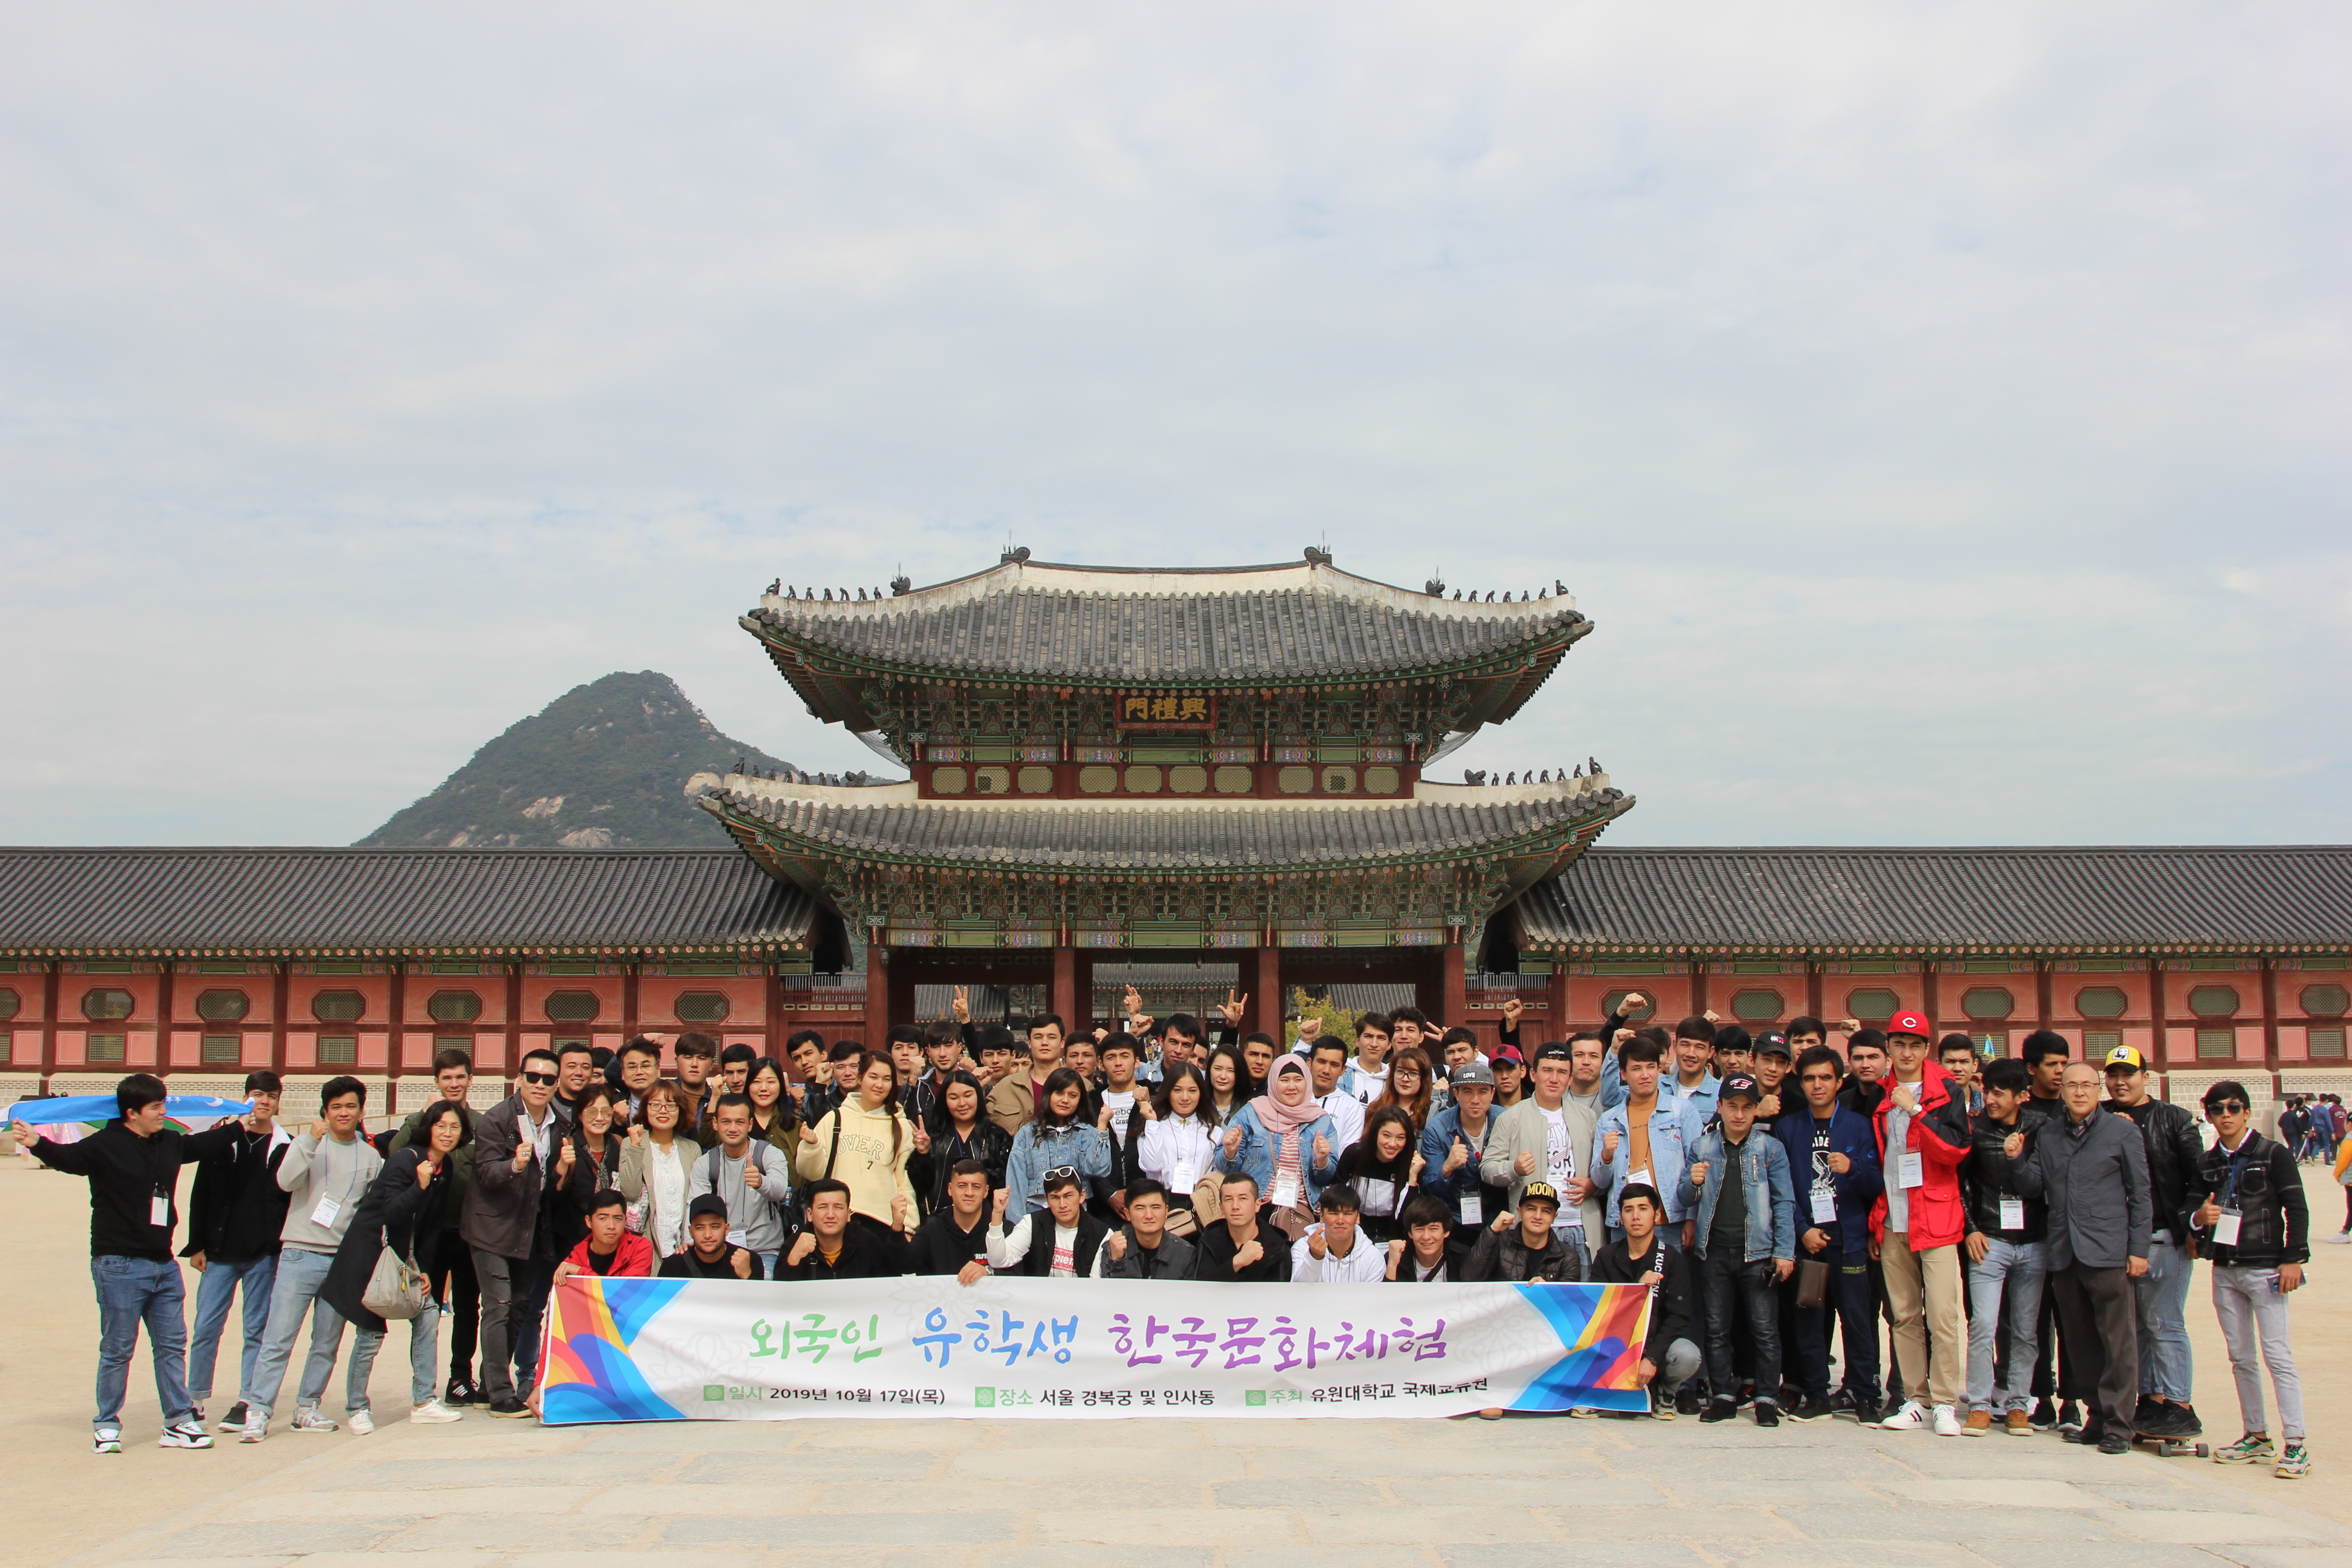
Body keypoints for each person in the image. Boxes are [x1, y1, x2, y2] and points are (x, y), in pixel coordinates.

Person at [10, 1073, 259, 1453]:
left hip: (163, 1265)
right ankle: (107, 1424)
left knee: (173, 1346)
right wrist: (37, 1143)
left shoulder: (169, 1143)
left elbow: (202, 1144)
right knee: (118, 1348)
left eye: (163, 1105)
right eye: (156, 1108)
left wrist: (239, 1124)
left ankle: (178, 1421)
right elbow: (71, 1160)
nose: (163, 1113)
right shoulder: (105, 1145)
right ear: (131, 1113)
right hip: (118, 1264)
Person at [2008, 1062, 2150, 1455]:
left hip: (2109, 1251)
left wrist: (2139, 1250)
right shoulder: (2050, 1134)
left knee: (2118, 1342)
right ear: (2063, 1089)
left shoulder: (2122, 1131)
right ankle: (2097, 1416)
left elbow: (2140, 1194)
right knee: (2080, 1342)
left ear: (2098, 1088)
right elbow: (2035, 1186)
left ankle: (2121, 1424)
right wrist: (2018, 1159)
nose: (2080, 1093)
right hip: (2065, 1251)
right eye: (2073, 1085)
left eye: (2088, 1085)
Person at [319, 1097, 469, 1429]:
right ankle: (357, 1407)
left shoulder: (447, 1168)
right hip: (372, 1256)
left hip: (407, 1259)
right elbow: (392, 1213)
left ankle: (424, 1401)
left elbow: (431, 1228)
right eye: (441, 1125)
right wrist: (420, 1185)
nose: (447, 1133)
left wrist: (427, 1271)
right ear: (429, 1128)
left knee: (429, 1312)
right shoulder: (406, 1159)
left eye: (454, 1127)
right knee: (370, 1332)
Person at [2189, 1082, 2310, 1478]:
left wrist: (2293, 1259)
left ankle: (2296, 1442)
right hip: (2224, 1268)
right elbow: (2191, 1209)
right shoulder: (2207, 1163)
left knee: (2277, 1354)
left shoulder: (2273, 1154)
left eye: (2234, 1107)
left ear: (2247, 1111)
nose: (2226, 1114)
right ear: (2207, 1114)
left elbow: (2297, 1207)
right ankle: (2256, 1435)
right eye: (2218, 1109)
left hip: (2267, 1268)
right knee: (2240, 1357)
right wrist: (2197, 1221)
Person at [1868, 1012, 1972, 1437]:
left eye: (1915, 1045)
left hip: (1938, 1218)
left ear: (1927, 1050)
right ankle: (1915, 1398)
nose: (1907, 1052)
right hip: (1894, 1218)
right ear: (1890, 1048)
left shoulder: (1946, 1092)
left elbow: (1955, 1151)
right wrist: (1878, 1221)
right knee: (1904, 1315)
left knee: (1944, 1315)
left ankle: (1946, 1401)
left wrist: (1916, 1113)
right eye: (1899, 1044)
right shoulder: (1879, 1092)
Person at [2101, 1044, 2206, 1443]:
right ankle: (2151, 1397)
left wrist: (2191, 1229)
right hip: (2119, 1241)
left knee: (2165, 1322)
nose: (2120, 1081)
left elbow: (2199, 1178)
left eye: (2128, 1074)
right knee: (2137, 1326)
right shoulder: (2102, 1118)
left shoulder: (2174, 1120)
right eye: (2113, 1075)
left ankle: (2180, 1405)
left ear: (2146, 1077)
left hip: (2164, 1237)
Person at [1774, 1044, 1884, 1423]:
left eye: (1825, 1078)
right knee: (1808, 1321)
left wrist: (1853, 1168)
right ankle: (1817, 1394)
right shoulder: (1789, 1128)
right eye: (1809, 1079)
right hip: (1810, 1244)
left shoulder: (1858, 1125)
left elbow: (1876, 1184)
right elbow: (1782, 1189)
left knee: (1856, 1321)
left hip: (1850, 1241)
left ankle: (1866, 1394)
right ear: (1800, 1083)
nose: (1817, 1085)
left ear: (1840, 1082)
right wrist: (1803, 1230)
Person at [1681, 1074, 1796, 1426]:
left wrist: (1785, 1252)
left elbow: (1784, 1201)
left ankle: (1765, 1398)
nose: (1740, 1115)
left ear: (1756, 1110)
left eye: (1748, 1108)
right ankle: (1724, 1396)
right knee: (1717, 1328)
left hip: (1757, 1251)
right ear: (1720, 1107)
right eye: (1732, 1107)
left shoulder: (1770, 1149)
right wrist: (1693, 1182)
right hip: (1713, 1250)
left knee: (1764, 1329)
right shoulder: (1702, 1147)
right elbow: (1686, 1198)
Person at [181, 1068, 291, 1432]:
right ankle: (194, 1398)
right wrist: (196, 1244)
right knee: (206, 1326)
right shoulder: (223, 1140)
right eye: (258, 1095)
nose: (264, 1102)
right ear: (246, 1097)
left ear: (278, 1102)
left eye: (271, 1096)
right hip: (219, 1250)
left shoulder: (285, 1145)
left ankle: (248, 1398)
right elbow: (202, 1195)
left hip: (262, 1252)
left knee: (256, 1329)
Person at [461, 1047, 561, 1418]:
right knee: (499, 1304)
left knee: (520, 1306)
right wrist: (515, 1165)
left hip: (527, 1229)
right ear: (519, 1079)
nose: (539, 1084)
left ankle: (489, 1385)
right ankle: (501, 1394)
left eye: (548, 1079)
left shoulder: (559, 1123)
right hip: (490, 1227)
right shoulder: (496, 1119)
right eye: (532, 1077)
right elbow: (486, 1173)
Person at [1957, 1057, 2047, 1435]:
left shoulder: (2042, 1130)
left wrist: (2017, 1157)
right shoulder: (1975, 1132)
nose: (1990, 1099)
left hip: (2034, 1243)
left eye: (1999, 1093)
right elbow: (1959, 1185)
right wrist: (1971, 1228)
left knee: (2026, 1330)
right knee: (1984, 1325)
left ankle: (2018, 1404)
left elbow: (2038, 1188)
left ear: (2022, 1096)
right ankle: (1979, 1402)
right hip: (1990, 1241)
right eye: (1987, 1091)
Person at [389, 1049, 480, 1406]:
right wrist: (423, 1116)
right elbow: (395, 1151)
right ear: (437, 1083)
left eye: (460, 1077)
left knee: (468, 1307)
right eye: (447, 1079)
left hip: (468, 1232)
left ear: (471, 1080)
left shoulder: (480, 1123)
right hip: (430, 1232)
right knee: (425, 1307)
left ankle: (460, 1377)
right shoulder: (425, 1124)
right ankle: (423, 1386)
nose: (454, 1084)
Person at [1485, 1041, 1604, 1275]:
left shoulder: (1588, 1117)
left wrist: (1594, 1186)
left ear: (1570, 1078)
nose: (1554, 1079)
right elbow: (1488, 1168)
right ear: (1533, 1074)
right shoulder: (1512, 1118)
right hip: (1533, 1230)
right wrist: (1514, 1169)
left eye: (1562, 1073)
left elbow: (1602, 1171)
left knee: (1581, 1306)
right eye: (1547, 1071)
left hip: (1582, 1226)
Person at [1590, 1184, 1702, 1419]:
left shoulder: (1672, 1259)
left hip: (1656, 1347)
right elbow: (1598, 1312)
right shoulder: (1606, 1257)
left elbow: (1679, 1317)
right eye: (1629, 1210)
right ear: (1620, 1217)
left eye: (1643, 1209)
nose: (1636, 1216)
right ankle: (1600, 1392)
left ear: (1657, 1215)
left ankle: (1667, 1392)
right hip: (1616, 1346)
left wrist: (1651, 1358)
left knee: (1687, 1354)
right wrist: (1636, 1291)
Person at [794, 1049, 919, 1243]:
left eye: (887, 1079)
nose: (879, 1085)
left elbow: (904, 1181)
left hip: (883, 1223)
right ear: (861, 1078)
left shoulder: (902, 1126)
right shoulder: (835, 1118)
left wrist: (908, 1224)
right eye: (873, 1077)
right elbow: (812, 1172)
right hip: (839, 1222)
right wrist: (811, 1146)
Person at [1595, 1038, 1708, 1240]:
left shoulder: (1682, 1111)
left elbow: (1697, 1169)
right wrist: (1607, 1156)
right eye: (1637, 1068)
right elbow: (1600, 1182)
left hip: (1672, 1222)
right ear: (1623, 1074)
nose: (1645, 1075)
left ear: (1659, 1069)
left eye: (1651, 1067)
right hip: (1625, 1224)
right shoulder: (1609, 1119)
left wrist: (1692, 1219)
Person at [1220, 1055, 1340, 1219]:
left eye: (1298, 1080)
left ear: (1307, 1082)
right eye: (1284, 1080)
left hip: (1301, 1212)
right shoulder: (1252, 1113)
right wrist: (1230, 1152)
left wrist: (1322, 1161)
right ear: (1274, 1082)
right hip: (1258, 1208)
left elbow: (1328, 1178)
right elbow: (1224, 1168)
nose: (1292, 1087)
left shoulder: (1321, 1121)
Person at [692, 1093, 799, 1277]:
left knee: (762, 1300)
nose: (733, 1129)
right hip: (721, 1251)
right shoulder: (705, 1163)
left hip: (765, 1250)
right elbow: (694, 1208)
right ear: (716, 1124)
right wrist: (688, 1245)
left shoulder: (769, 1154)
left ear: (750, 1125)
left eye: (740, 1122)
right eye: (726, 1122)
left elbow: (781, 1190)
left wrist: (761, 1182)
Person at [1001, 1066, 1114, 1218]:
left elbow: (1097, 1170)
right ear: (1049, 1095)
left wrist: (1101, 1128)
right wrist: (1017, 1226)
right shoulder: (1028, 1133)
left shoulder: (1087, 1133)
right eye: (1059, 1093)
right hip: (1036, 1212)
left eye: (1073, 1095)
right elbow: (1015, 1182)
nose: (1065, 1100)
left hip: (1076, 1215)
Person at [1420, 1058, 1507, 1240]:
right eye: (1468, 1092)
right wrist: (1447, 1168)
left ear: (1492, 1094)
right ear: (1456, 1094)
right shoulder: (1437, 1128)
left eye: (1482, 1092)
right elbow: (1429, 1189)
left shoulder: (1507, 1121)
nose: (1475, 1100)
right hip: (1456, 1221)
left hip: (1500, 1218)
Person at [1135, 1063, 1221, 1232]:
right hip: (1164, 1202)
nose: (1185, 1097)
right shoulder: (1153, 1127)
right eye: (1178, 1090)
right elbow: (1151, 1166)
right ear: (1168, 1093)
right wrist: (1151, 1123)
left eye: (1193, 1091)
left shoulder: (1214, 1132)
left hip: (1202, 1203)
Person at [913, 1071, 1013, 1215]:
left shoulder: (997, 1137)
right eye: (954, 1098)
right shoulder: (932, 1137)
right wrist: (923, 1154)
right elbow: (920, 1186)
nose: (962, 1104)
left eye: (968, 1096)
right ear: (945, 1101)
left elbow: (1005, 1182)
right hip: (939, 1218)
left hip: (984, 1221)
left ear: (979, 1096)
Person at [549, 1083, 625, 1264]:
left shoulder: (619, 1145)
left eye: (606, 1112)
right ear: (581, 1114)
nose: (599, 1118)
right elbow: (552, 1197)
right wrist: (562, 1165)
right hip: (573, 1245)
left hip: (613, 1245)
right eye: (592, 1112)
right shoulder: (567, 1146)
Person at [619, 1080, 696, 1259]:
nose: (663, 1111)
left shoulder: (692, 1150)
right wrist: (636, 1147)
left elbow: (694, 1199)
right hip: (645, 1246)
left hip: (684, 1247)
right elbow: (630, 1192)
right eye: (656, 1105)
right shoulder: (630, 1144)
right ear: (646, 1109)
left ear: (680, 1110)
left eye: (671, 1106)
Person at [985, 1166, 1109, 1277]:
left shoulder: (1102, 1234)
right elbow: (998, 1261)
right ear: (1047, 1200)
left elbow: (1095, 1286)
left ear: (1082, 1196)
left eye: (1068, 1196)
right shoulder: (1032, 1223)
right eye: (1055, 1198)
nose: (1062, 1205)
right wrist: (997, 1213)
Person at [1329, 1106, 1420, 1242]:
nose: (1392, 1144)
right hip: (1352, 1232)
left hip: (1393, 1237)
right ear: (1376, 1134)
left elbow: (1408, 1220)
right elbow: (1337, 1199)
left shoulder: (1411, 1165)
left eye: (1400, 1138)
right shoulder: (1354, 1156)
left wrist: (1413, 1179)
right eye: (1386, 1136)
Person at [1464, 1181, 1580, 1283]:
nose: (1538, 1216)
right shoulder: (1500, 1241)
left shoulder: (1568, 1257)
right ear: (1520, 1212)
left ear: (1554, 1217)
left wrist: (1547, 1291)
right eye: (1532, 1209)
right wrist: (1493, 1231)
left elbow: (1567, 1303)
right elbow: (1469, 1279)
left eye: (1546, 1211)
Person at [781, 1179, 900, 1278]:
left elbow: (891, 1285)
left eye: (838, 1207)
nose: (831, 1215)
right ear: (810, 1214)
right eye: (823, 1207)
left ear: (849, 1214)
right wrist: (793, 1259)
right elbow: (780, 1297)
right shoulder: (795, 1243)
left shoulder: (868, 1243)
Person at [1191, 1174, 1290, 1281]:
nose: (1235, 1206)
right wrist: (1237, 1262)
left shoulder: (1278, 1247)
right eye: (1229, 1199)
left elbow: (1279, 1294)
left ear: (1257, 1205)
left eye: (1243, 1199)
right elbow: (1202, 1288)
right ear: (1221, 1207)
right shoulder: (1210, 1240)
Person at [909, 1160, 996, 1279]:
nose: (969, 1193)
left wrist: (988, 1271)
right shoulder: (930, 1233)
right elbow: (904, 1266)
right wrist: (897, 1230)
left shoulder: (1003, 1230)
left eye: (976, 1187)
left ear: (986, 1191)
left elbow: (1018, 1274)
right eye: (962, 1186)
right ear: (950, 1189)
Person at [1095, 1176, 1197, 1278]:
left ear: (1166, 1211)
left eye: (1156, 1208)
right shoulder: (1113, 1248)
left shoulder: (1186, 1254)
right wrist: (1117, 1260)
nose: (1149, 1216)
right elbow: (1110, 1292)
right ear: (1128, 1214)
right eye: (1140, 1208)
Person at [988, 1013, 1069, 1134]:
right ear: (1029, 1043)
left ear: (1062, 1042)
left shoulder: (1081, 1085)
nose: (1045, 1043)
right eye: (1038, 1037)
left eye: (1051, 1037)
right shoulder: (1005, 1087)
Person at [1289, 1183, 1386, 1282]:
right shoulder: (1303, 1247)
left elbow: (1374, 1297)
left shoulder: (1373, 1257)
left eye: (1348, 1214)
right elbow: (1298, 1292)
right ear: (1322, 1216)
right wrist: (1314, 1257)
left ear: (1358, 1217)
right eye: (1334, 1214)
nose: (1340, 1221)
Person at [553, 1188, 656, 1279]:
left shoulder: (640, 1248)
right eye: (603, 1218)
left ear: (626, 1221)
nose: (611, 1226)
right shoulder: (576, 1257)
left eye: (618, 1219)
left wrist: (581, 1272)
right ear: (589, 1222)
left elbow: (625, 1292)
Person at [660, 1194, 757, 1279]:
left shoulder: (749, 1261)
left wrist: (747, 1275)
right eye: (700, 1228)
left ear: (727, 1229)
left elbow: (758, 1299)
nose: (707, 1235)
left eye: (715, 1227)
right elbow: (661, 1300)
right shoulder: (673, 1265)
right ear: (691, 1231)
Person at [1385, 1195, 1470, 1283]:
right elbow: (1387, 1295)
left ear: (1446, 1232)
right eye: (1419, 1229)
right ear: (1410, 1233)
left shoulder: (1462, 1257)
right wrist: (1392, 1264)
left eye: (1433, 1229)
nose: (1426, 1237)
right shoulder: (1396, 1257)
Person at [1304, 1038, 1367, 1152]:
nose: (1326, 1071)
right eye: (1322, 1062)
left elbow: (1346, 1153)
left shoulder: (1352, 1108)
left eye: (1334, 1065)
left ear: (1343, 1070)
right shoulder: (1294, 1097)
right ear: (1310, 1063)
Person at [1666, 1016, 1720, 1117]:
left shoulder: (1721, 1094)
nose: (1691, 1054)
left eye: (1699, 1047)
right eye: (1685, 1045)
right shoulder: (1657, 1088)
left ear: (1710, 1052)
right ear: (1675, 1046)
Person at [1370, 1047, 1434, 1133]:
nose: (1405, 1079)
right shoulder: (1376, 1109)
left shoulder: (1432, 1114)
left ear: (1424, 1079)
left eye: (1413, 1074)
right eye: (1400, 1072)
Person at [672, 1031, 721, 1136]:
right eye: (688, 1058)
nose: (694, 1064)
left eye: (701, 1059)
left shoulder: (718, 1101)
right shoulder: (664, 1094)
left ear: (711, 1064)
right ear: (677, 1061)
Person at [1338, 1014, 1392, 1106]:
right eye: (1369, 1037)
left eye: (1381, 1038)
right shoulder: (1339, 1073)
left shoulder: (1394, 1081)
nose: (1374, 1044)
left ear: (1390, 1045)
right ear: (1358, 1041)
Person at [1204, 1041, 1251, 1122]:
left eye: (1231, 1071)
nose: (1223, 1076)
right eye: (1218, 1069)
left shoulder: (1249, 1109)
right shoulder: (1198, 1106)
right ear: (1209, 1070)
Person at [1939, 1035, 1984, 1114]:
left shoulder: (1986, 1105)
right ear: (1938, 1065)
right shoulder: (1927, 1105)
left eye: (1964, 1062)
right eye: (1951, 1062)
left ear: (1975, 1065)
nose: (1958, 1069)